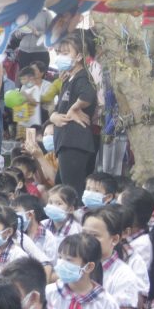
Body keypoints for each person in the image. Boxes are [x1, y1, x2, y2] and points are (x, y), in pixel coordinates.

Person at [48, 34, 98, 191]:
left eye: (65, 53)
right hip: (65, 141)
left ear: (78, 57)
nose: (60, 57)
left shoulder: (82, 77)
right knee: (61, 187)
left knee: (71, 190)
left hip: (75, 141)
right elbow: (58, 108)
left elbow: (88, 95)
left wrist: (73, 109)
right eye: (59, 53)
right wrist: (53, 116)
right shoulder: (68, 79)